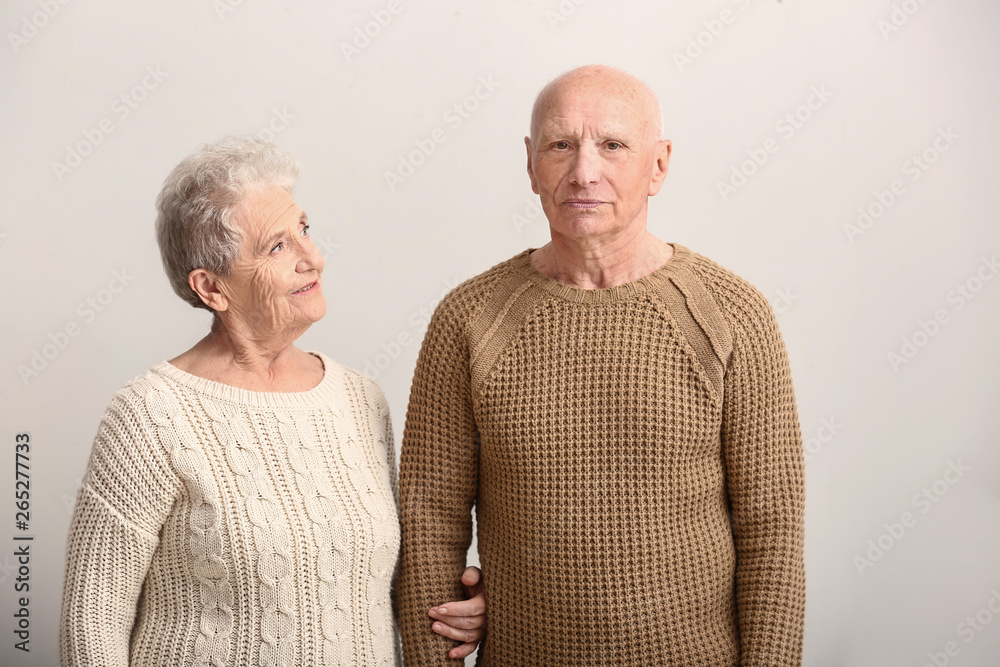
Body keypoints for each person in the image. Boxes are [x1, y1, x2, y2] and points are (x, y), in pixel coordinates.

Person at [396, 65, 806, 665]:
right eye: (562, 145)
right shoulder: (469, 319)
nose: (584, 171)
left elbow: (772, 528)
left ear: (658, 165)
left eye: (613, 145)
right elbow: (430, 516)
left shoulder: (732, 315)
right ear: (532, 163)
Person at [59, 137, 485, 666]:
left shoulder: (358, 398)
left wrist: (461, 608)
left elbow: (377, 579)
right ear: (212, 288)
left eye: (304, 230)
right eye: (277, 247)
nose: (313, 258)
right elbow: (91, 624)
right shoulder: (151, 413)